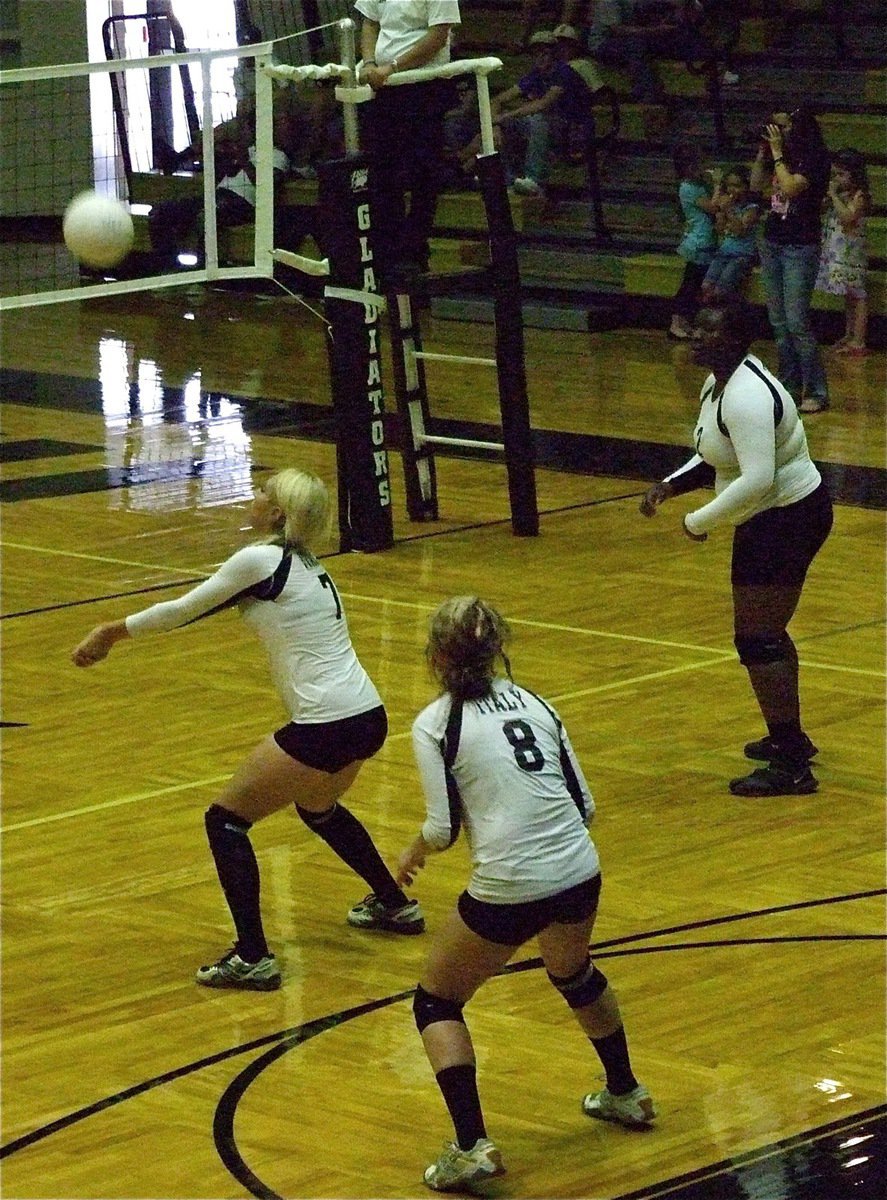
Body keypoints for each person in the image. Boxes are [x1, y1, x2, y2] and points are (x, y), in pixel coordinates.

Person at [71, 469, 424, 992]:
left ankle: (253, 956)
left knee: (226, 821)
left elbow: (184, 609)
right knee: (318, 808)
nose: (254, 497)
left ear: (279, 513)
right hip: (367, 715)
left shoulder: (262, 559)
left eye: (264, 492)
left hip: (326, 722)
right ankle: (394, 904)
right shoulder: (307, 565)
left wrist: (111, 633)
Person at [397, 597, 655, 1193]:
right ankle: (627, 1093)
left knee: (436, 1002)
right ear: (497, 649)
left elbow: (441, 829)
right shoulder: (537, 702)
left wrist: (412, 852)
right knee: (573, 972)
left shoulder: (435, 723)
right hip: (578, 869)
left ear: (436, 657)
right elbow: (584, 803)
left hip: (510, 884)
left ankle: (471, 1147)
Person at [640, 298, 833, 797]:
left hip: (786, 519)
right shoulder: (719, 384)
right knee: (765, 632)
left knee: (758, 638)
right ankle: (790, 737)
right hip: (771, 518)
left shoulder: (746, 395)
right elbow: (714, 456)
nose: (700, 335)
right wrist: (671, 485)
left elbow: (757, 478)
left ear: (738, 340)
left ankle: (791, 765)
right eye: (700, 326)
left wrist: (697, 521)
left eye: (711, 330)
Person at [355, 0, 462, 283]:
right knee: (382, 174)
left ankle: (414, 252)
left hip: (424, 87)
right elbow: (369, 21)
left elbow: (438, 36)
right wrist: (369, 63)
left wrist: (392, 66)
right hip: (385, 89)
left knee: (423, 173)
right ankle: (387, 255)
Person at [750, 104, 831, 414]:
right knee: (779, 321)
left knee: (797, 321)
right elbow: (757, 185)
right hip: (772, 241)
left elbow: (791, 187)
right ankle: (788, 386)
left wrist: (777, 153)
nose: (778, 132)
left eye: (783, 126)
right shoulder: (777, 154)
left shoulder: (814, 158)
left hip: (800, 245)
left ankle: (818, 389)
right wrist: (763, 153)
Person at [479, 31, 593, 197]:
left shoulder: (564, 72)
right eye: (536, 53)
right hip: (550, 127)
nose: (540, 57)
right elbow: (498, 100)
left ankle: (534, 180)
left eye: (545, 53)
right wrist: (495, 124)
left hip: (574, 132)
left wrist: (504, 117)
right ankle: (508, 179)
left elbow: (543, 104)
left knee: (537, 119)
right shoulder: (535, 74)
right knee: (505, 125)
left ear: (554, 54)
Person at [815, 148, 870, 357]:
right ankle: (849, 332)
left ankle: (859, 339)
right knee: (848, 296)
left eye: (841, 174)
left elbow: (848, 217)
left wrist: (833, 195)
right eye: (834, 174)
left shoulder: (859, 195)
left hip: (851, 254)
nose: (836, 179)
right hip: (837, 251)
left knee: (858, 295)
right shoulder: (841, 195)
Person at [668, 143, 718, 339]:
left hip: (705, 239)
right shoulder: (688, 188)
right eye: (700, 165)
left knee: (697, 285)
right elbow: (712, 208)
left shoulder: (697, 186)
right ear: (689, 168)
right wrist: (718, 185)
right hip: (699, 242)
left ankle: (686, 321)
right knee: (691, 285)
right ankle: (676, 322)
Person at [700, 165, 761, 302]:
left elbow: (740, 231)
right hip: (724, 252)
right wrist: (720, 214)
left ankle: (722, 314)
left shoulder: (752, 209)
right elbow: (720, 230)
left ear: (746, 187)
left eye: (737, 186)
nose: (732, 190)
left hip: (741, 255)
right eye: (729, 186)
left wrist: (729, 210)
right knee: (706, 285)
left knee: (721, 289)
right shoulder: (729, 204)